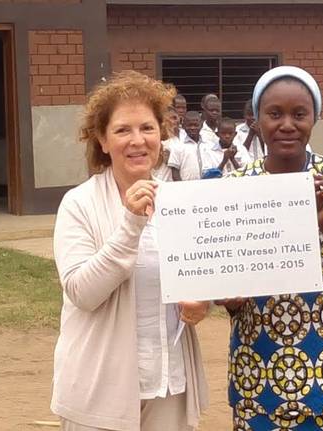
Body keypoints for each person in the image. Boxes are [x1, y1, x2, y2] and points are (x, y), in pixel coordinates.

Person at [219, 66, 323, 430]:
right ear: (256, 119)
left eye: (299, 114)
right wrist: (227, 296)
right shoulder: (235, 187)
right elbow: (223, 278)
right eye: (274, 113)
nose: (287, 125)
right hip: (258, 377)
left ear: (315, 118)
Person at [51, 71, 209, 431]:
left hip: (167, 381)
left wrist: (200, 301)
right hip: (98, 387)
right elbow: (82, 292)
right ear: (102, 141)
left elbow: (195, 275)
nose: (137, 140)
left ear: (162, 135)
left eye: (147, 128)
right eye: (123, 130)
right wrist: (130, 225)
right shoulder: (79, 204)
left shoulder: (181, 202)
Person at [168, 111, 206, 181]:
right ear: (183, 126)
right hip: (187, 188)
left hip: (209, 187)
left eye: (196, 125)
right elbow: (175, 174)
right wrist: (183, 189)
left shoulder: (208, 145)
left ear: (201, 125)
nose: (192, 128)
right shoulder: (177, 147)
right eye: (189, 125)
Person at [153, 106, 181, 182]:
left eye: (177, 118)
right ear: (164, 121)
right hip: (160, 181)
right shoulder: (156, 140)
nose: (177, 121)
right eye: (173, 118)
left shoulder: (180, 138)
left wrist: (173, 160)